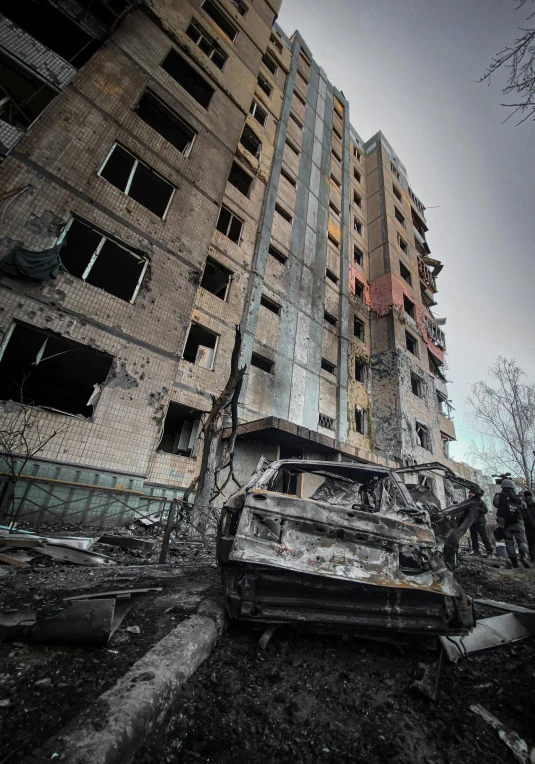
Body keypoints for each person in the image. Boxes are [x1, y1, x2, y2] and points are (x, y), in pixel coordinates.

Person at [496, 479, 531, 568]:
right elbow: (524, 508)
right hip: (518, 522)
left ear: (502, 486)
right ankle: (524, 557)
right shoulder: (518, 497)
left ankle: (514, 561)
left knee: (509, 542)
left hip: (505, 523)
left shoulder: (498, 496)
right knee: (522, 541)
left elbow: (495, 504)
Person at [468, 490, 493, 556]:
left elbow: (485, 510)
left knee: (483, 535)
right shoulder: (468, 502)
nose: (471, 494)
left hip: (480, 521)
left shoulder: (480, 501)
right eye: (470, 493)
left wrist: (477, 508)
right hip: (472, 521)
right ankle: (475, 550)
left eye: (472, 493)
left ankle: (489, 550)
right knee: (473, 536)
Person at [521, 489, 535, 562]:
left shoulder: (532, 503)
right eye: (528, 496)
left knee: (531, 543)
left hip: (532, 525)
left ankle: (532, 558)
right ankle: (532, 558)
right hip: (528, 526)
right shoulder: (523, 504)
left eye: (530, 496)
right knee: (531, 543)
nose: (529, 498)